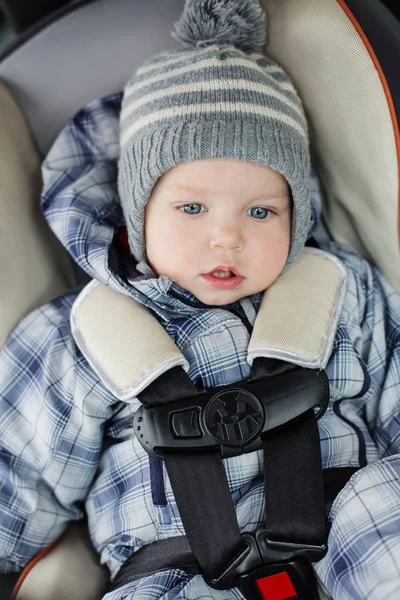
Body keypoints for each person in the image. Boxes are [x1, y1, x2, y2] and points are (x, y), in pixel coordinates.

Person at [1, 1, 400, 599]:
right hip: (176, 565)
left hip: (348, 527)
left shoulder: (340, 290)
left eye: (261, 211)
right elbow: (18, 468)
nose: (227, 236)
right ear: (137, 219)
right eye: (191, 208)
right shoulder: (82, 335)